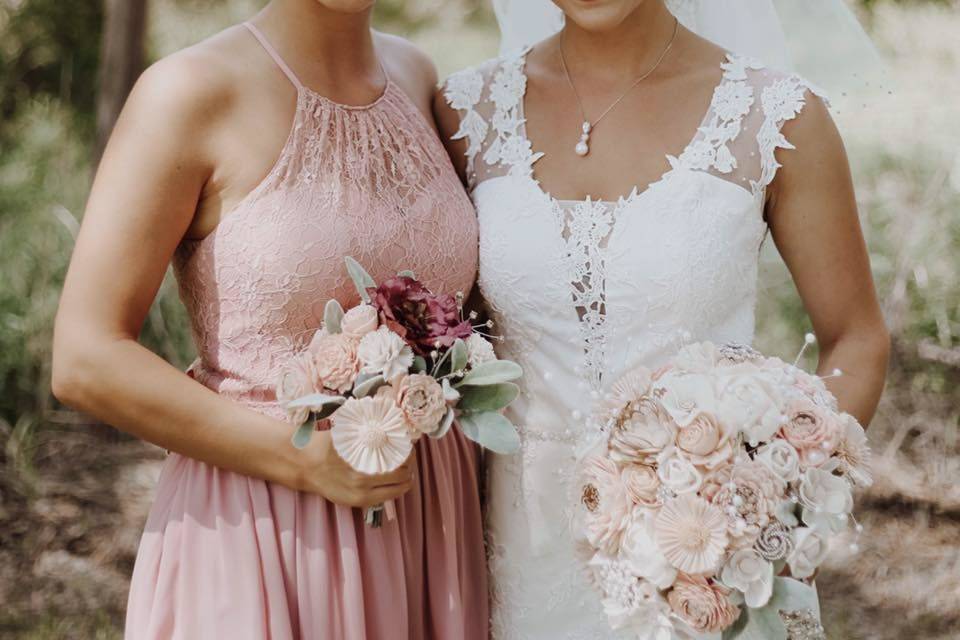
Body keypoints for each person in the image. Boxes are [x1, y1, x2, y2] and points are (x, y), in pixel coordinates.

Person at [435, 0, 889, 636]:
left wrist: (768, 488)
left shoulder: (777, 115)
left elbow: (857, 337)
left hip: (705, 563)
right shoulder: (465, 109)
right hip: (516, 556)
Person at [52, 1, 486, 637]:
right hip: (265, 530)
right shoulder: (189, 92)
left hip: (431, 526)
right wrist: (302, 460)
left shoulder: (419, 77)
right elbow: (86, 358)